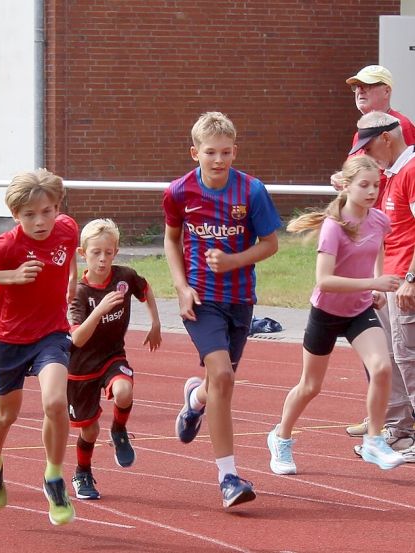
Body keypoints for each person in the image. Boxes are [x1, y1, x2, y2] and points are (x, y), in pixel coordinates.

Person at [165, 112, 282, 509]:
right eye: (210, 152)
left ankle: (195, 400)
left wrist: (234, 261)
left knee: (218, 384)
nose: (218, 160)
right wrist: (181, 288)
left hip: (240, 300)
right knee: (223, 375)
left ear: (235, 151)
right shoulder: (179, 192)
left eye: (226, 152)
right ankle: (228, 477)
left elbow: (270, 244)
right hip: (201, 300)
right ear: (194, 152)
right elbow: (171, 238)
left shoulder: (251, 191)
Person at [268, 155, 404, 474]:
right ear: (346, 186)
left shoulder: (379, 220)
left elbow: (377, 252)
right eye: (364, 185)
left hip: (359, 310)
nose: (372, 191)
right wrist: (374, 282)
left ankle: (374, 440)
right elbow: (324, 281)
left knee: (382, 367)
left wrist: (375, 290)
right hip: (326, 312)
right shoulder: (335, 226)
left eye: (376, 185)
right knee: (310, 386)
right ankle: (281, 437)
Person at [0, 169, 78, 526]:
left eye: (47, 211)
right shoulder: (6, 246)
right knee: (6, 414)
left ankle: (54, 478)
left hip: (51, 333)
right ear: (15, 215)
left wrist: (71, 279)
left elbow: (69, 252)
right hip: (9, 338)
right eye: (29, 215)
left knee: (56, 402)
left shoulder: (68, 229)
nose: (40, 221)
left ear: (57, 207)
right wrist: (8, 276)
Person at [339, 66, 415, 438]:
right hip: (392, 276)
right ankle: (398, 426)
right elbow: (388, 230)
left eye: (369, 149)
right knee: (393, 357)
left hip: (405, 278)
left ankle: (405, 428)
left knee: (408, 358)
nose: (366, 155)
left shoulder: (408, 165)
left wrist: (410, 279)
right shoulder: (390, 174)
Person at [66, 218, 161, 500]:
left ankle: (119, 430)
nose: (103, 259)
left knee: (124, 390)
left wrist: (155, 323)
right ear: (84, 254)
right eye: (96, 253)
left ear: (116, 252)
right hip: (80, 368)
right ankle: (82, 472)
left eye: (108, 252)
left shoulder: (125, 277)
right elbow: (77, 339)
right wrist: (99, 310)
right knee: (90, 431)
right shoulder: (79, 295)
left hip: (112, 356)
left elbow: (146, 290)